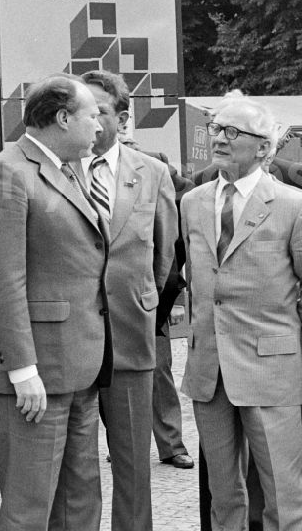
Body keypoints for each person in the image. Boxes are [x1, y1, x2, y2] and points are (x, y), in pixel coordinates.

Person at [181, 99, 302, 531]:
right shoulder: (192, 202)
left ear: (264, 148)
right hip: (208, 370)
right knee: (223, 495)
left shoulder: (295, 205)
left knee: (282, 496)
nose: (217, 137)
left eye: (232, 132)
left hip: (271, 367)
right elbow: (198, 281)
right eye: (216, 128)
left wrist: (291, 337)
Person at [0, 73, 110, 531]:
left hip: (80, 369)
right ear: (63, 118)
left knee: (80, 502)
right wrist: (22, 370)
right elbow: (1, 282)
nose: (101, 127)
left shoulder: (67, 170)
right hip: (34, 378)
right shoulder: (4, 172)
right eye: (93, 116)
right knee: (30, 509)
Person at [77, 70, 176, 531]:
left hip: (131, 335)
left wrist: (141, 301)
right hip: (71, 336)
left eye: (98, 111)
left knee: (134, 463)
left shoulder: (153, 173)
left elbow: (163, 253)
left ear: (121, 117)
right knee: (77, 468)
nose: (90, 121)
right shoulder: (57, 171)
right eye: (80, 111)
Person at [119, 140, 196, 471]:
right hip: (108, 300)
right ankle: (121, 442)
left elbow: (174, 235)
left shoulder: (155, 164)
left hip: (153, 296)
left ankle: (171, 444)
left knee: (159, 370)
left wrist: (161, 297)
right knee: (115, 378)